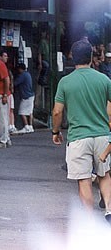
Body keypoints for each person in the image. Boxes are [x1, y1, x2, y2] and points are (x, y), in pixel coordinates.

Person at [52, 39, 111, 223]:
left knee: (84, 179)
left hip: (78, 138)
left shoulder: (65, 82)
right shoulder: (104, 80)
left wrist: (55, 131)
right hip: (102, 135)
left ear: (72, 57)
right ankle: (109, 209)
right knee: (104, 174)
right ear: (92, 57)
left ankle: (88, 219)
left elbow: (57, 111)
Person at [12, 63, 34, 134]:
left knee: (22, 112)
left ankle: (26, 126)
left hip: (26, 96)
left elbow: (15, 83)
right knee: (30, 112)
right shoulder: (28, 74)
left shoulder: (23, 75)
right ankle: (30, 126)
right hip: (31, 95)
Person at [0, 50, 16, 134]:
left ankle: (11, 126)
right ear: (0, 57)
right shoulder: (0, 66)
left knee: (9, 110)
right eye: (4, 56)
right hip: (3, 93)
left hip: (7, 93)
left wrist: (7, 93)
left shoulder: (6, 67)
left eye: (6, 56)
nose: (6, 58)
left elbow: (8, 80)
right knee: (3, 114)